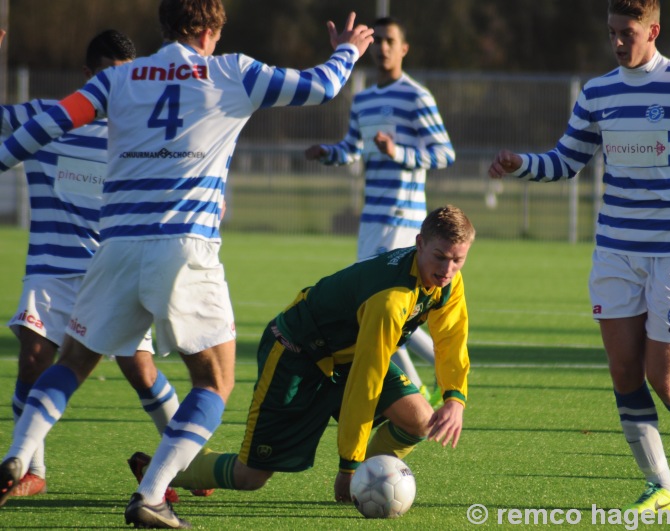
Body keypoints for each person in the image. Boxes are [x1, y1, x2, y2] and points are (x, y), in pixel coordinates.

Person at [0, 0, 374, 528]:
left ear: (165, 25)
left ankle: (20, 451)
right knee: (214, 382)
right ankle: (151, 495)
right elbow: (320, 86)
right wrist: (347, 51)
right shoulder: (233, 71)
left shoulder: (120, 78)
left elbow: (48, 124)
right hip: (182, 248)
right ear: (213, 29)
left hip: (115, 246)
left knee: (72, 362)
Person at [488, 0, 670, 514]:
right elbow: (567, 160)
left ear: (653, 30)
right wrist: (521, 164)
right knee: (623, 372)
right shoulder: (597, 92)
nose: (617, 42)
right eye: (612, 32)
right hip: (616, 248)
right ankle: (660, 486)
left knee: (666, 379)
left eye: (627, 33)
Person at [128, 205, 472, 515]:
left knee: (419, 421)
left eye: (458, 260)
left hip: (345, 356)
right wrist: (349, 467)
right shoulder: (390, 299)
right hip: (297, 353)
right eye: (440, 257)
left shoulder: (448, 283)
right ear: (420, 243)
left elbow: (452, 339)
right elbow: (366, 381)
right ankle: (179, 470)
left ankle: (370, 476)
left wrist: (454, 397)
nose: (447, 269)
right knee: (252, 476)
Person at [0, 28, 182, 500]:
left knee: (138, 369)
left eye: (126, 81)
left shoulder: (139, 136)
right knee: (35, 359)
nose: (116, 91)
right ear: (87, 77)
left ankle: (184, 458)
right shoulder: (44, 119)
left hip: (112, 273)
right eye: (106, 79)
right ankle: (30, 470)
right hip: (50, 270)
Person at [305, 16, 455, 402]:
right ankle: (428, 378)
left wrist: (398, 152)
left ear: (404, 48)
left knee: (383, 312)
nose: (384, 47)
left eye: (391, 41)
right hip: (371, 219)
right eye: (379, 41)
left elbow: (444, 153)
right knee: (373, 310)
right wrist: (328, 154)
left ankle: (419, 388)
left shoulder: (416, 96)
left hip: (403, 219)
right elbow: (352, 149)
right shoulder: (364, 99)